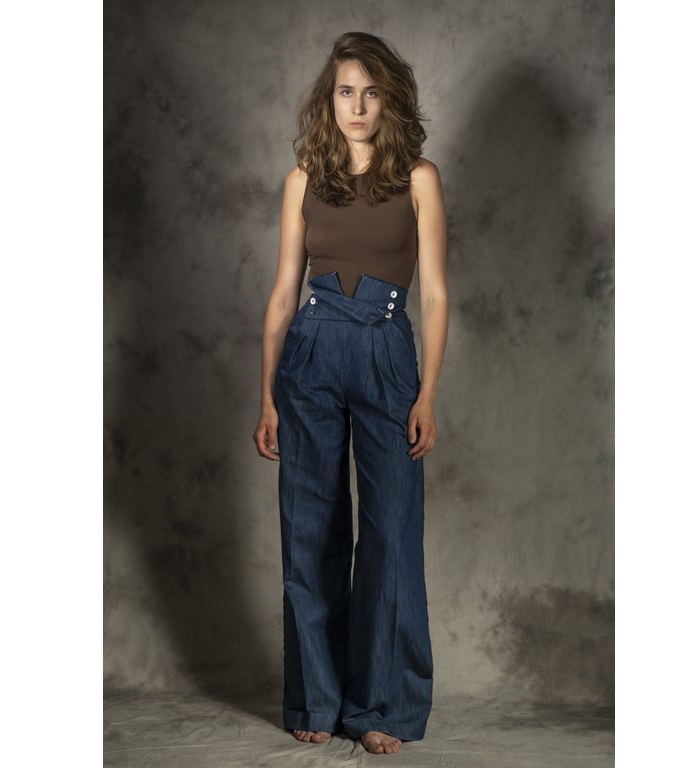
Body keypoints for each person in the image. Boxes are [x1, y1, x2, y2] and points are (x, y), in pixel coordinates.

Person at [252, 31, 449, 756]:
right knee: (311, 530)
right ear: (328, 100)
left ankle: (380, 706)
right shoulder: (303, 179)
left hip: (386, 354)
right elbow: (283, 294)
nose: (357, 106)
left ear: (389, 100)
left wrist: (427, 394)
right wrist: (267, 396)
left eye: (370, 93)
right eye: (345, 92)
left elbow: (435, 293)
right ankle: (317, 697)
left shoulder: (418, 178)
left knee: (390, 534)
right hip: (310, 353)